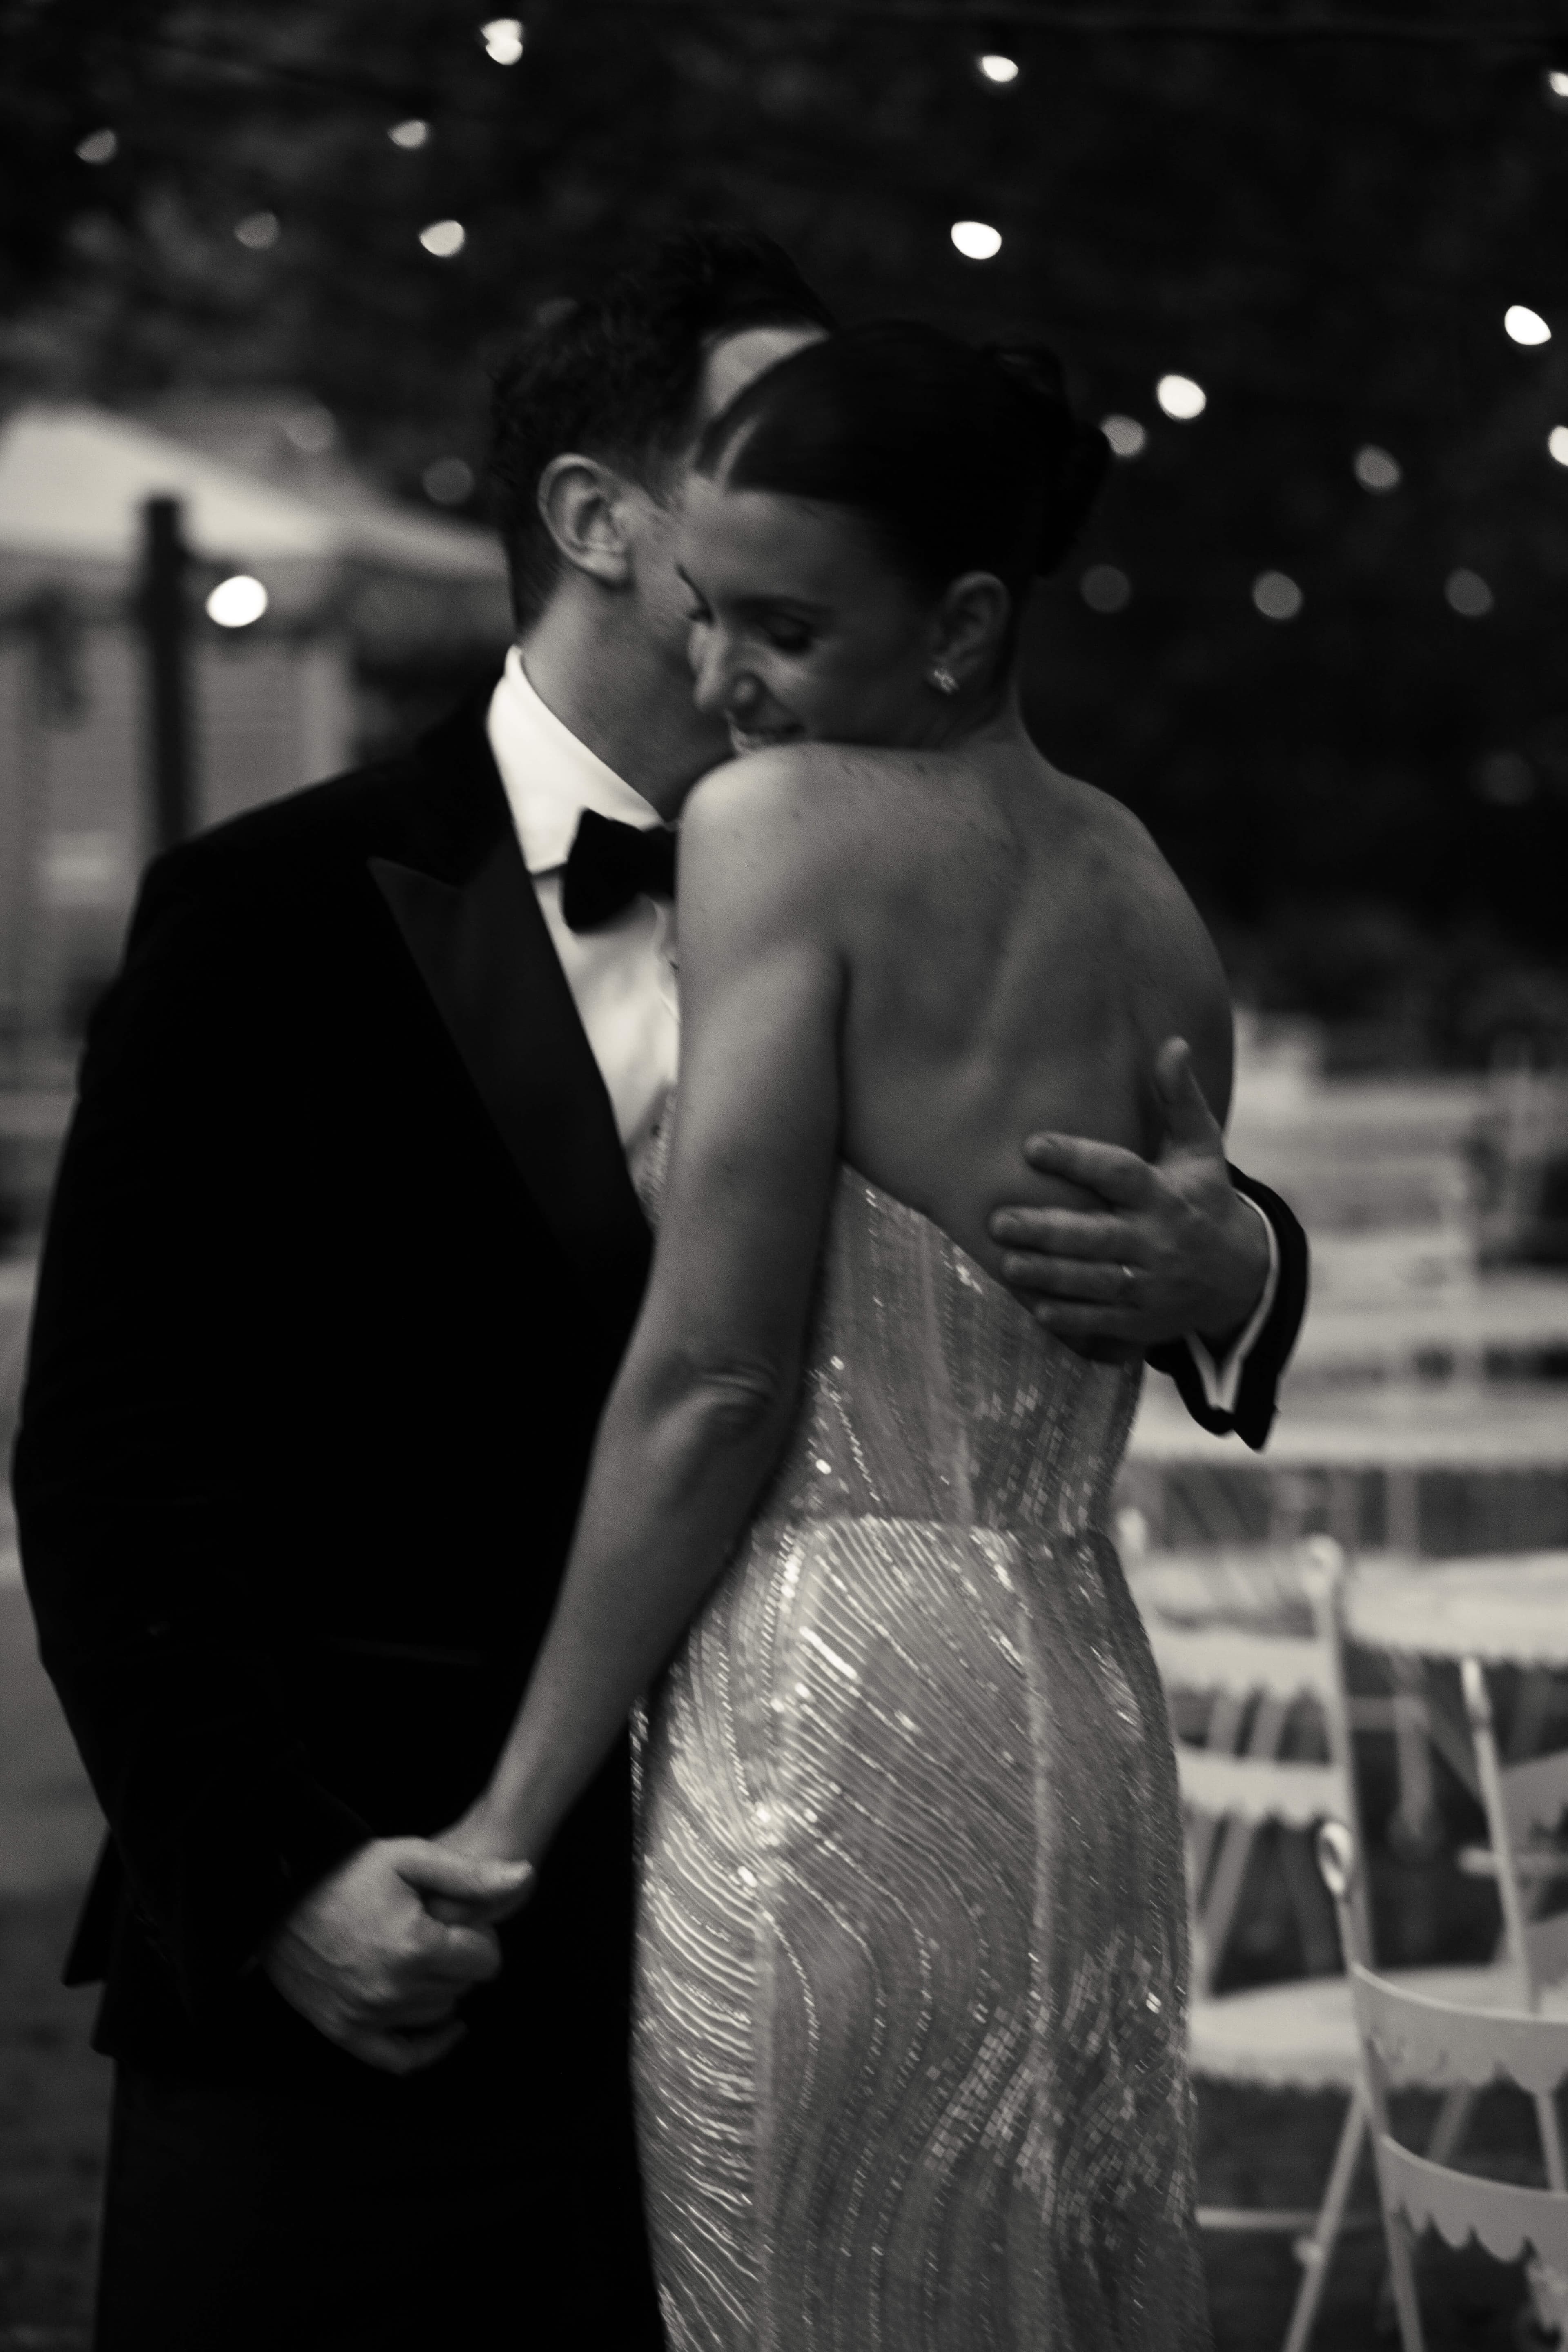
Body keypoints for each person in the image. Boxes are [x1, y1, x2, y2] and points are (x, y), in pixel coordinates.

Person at [12, 237, 1298, 2350]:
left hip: (834, 1916)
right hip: (398, 1969)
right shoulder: (265, 919)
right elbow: (111, 1475)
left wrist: (1242, 1261)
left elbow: (1106, 1184)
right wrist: (278, 1878)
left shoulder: (924, 864)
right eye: (759, 445)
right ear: (604, 517)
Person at [445, 321, 1247, 2349]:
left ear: (968, 621)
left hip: (827, 1725)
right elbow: (1166, 1254)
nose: (724, 682)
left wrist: (512, 1817)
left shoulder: (775, 830)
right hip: (1084, 1695)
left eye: (786, 631)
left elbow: (716, 1383)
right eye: (712, 615)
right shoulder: (1149, 883)